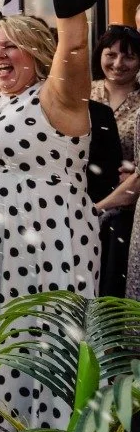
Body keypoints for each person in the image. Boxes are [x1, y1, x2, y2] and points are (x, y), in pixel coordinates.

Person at [0, 0, 98, 432]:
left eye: (12, 46)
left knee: (44, 338)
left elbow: (76, 47)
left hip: (47, 239)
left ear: (37, 52)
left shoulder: (58, 96)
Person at [90, 26, 140, 297]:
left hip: (125, 213)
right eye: (111, 54)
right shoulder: (82, 93)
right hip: (82, 199)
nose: (118, 63)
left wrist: (100, 208)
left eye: (129, 56)